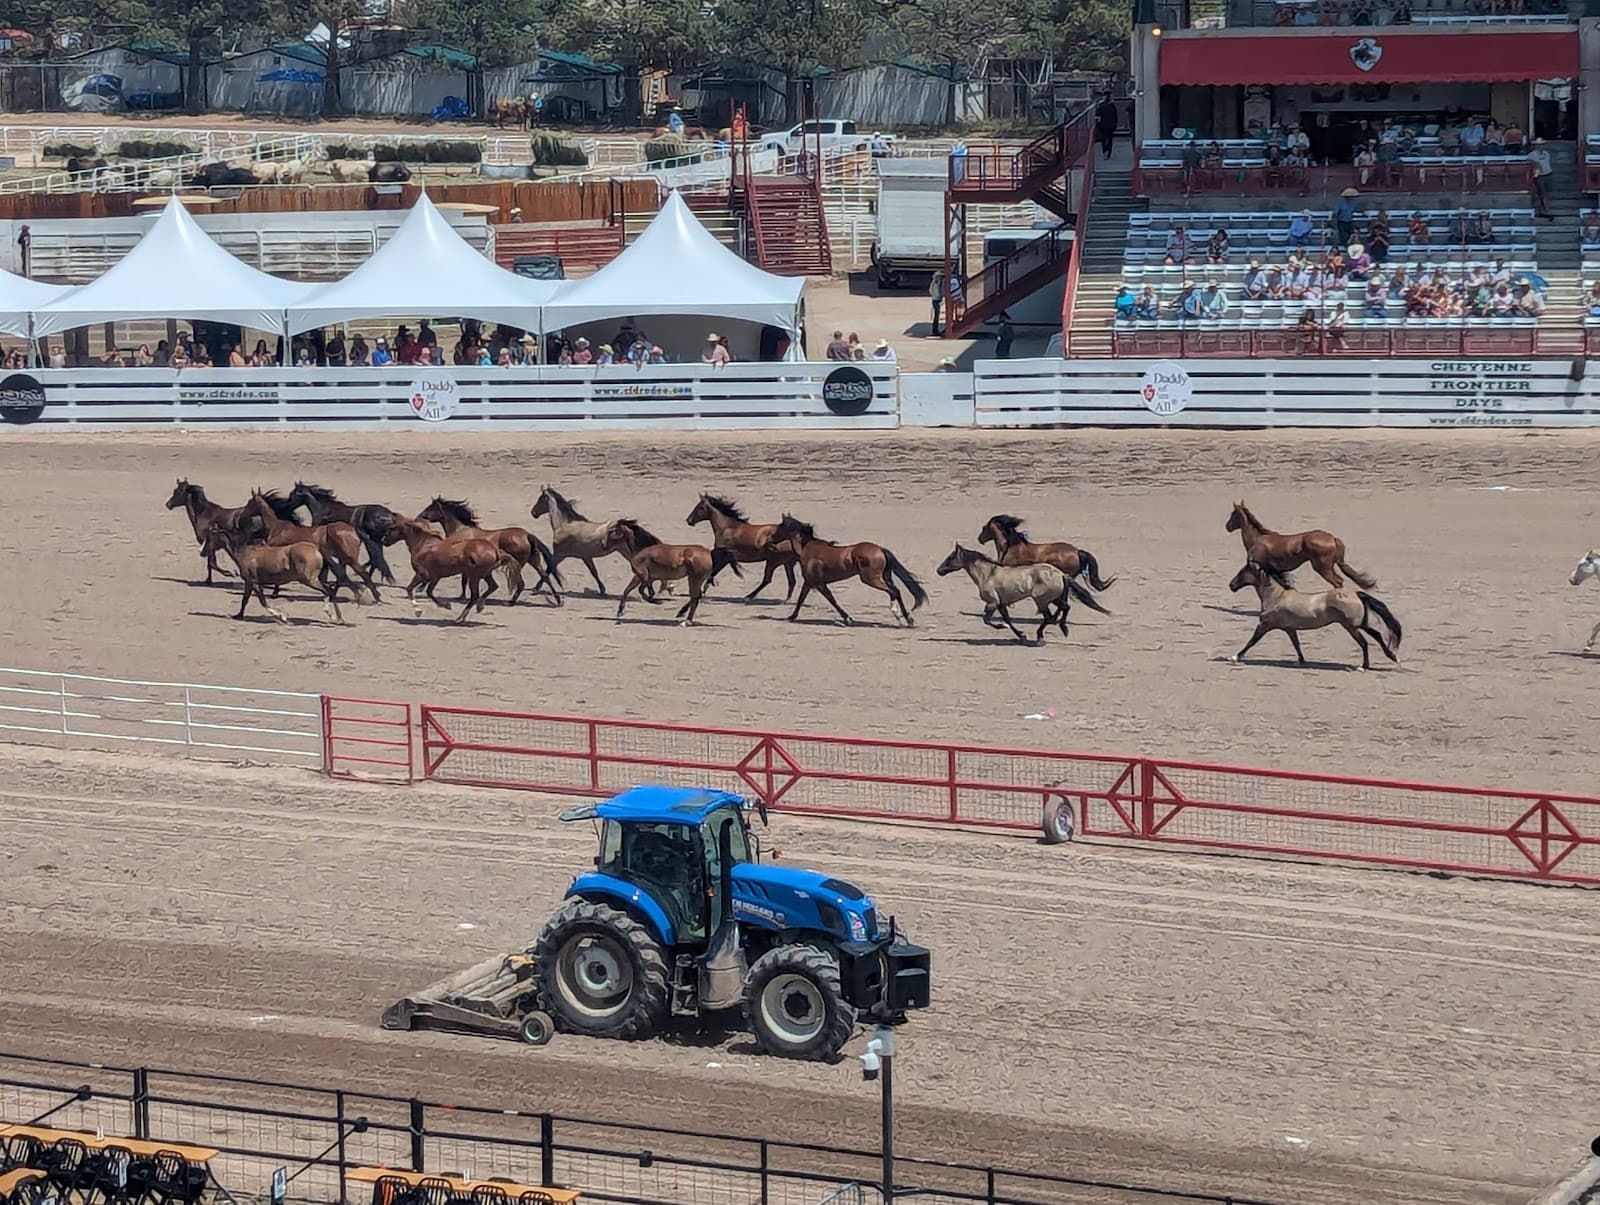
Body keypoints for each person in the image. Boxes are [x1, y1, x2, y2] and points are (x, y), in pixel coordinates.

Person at [1529, 138, 1554, 221]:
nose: (1540, 146)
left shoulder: (1546, 153)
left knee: (1546, 193)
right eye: (1539, 145)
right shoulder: (1532, 155)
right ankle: (1547, 210)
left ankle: (1543, 209)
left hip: (1548, 174)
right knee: (1543, 194)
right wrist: (1536, 175)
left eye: (1541, 145)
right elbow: (1534, 165)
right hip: (1540, 175)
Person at [1094, 92, 1119, 160]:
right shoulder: (1112, 105)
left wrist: (1098, 124)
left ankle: (1105, 151)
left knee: (1103, 138)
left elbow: (1097, 116)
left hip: (1103, 125)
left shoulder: (1100, 106)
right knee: (1110, 139)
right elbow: (1115, 116)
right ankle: (1108, 152)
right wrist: (1115, 124)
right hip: (1110, 125)